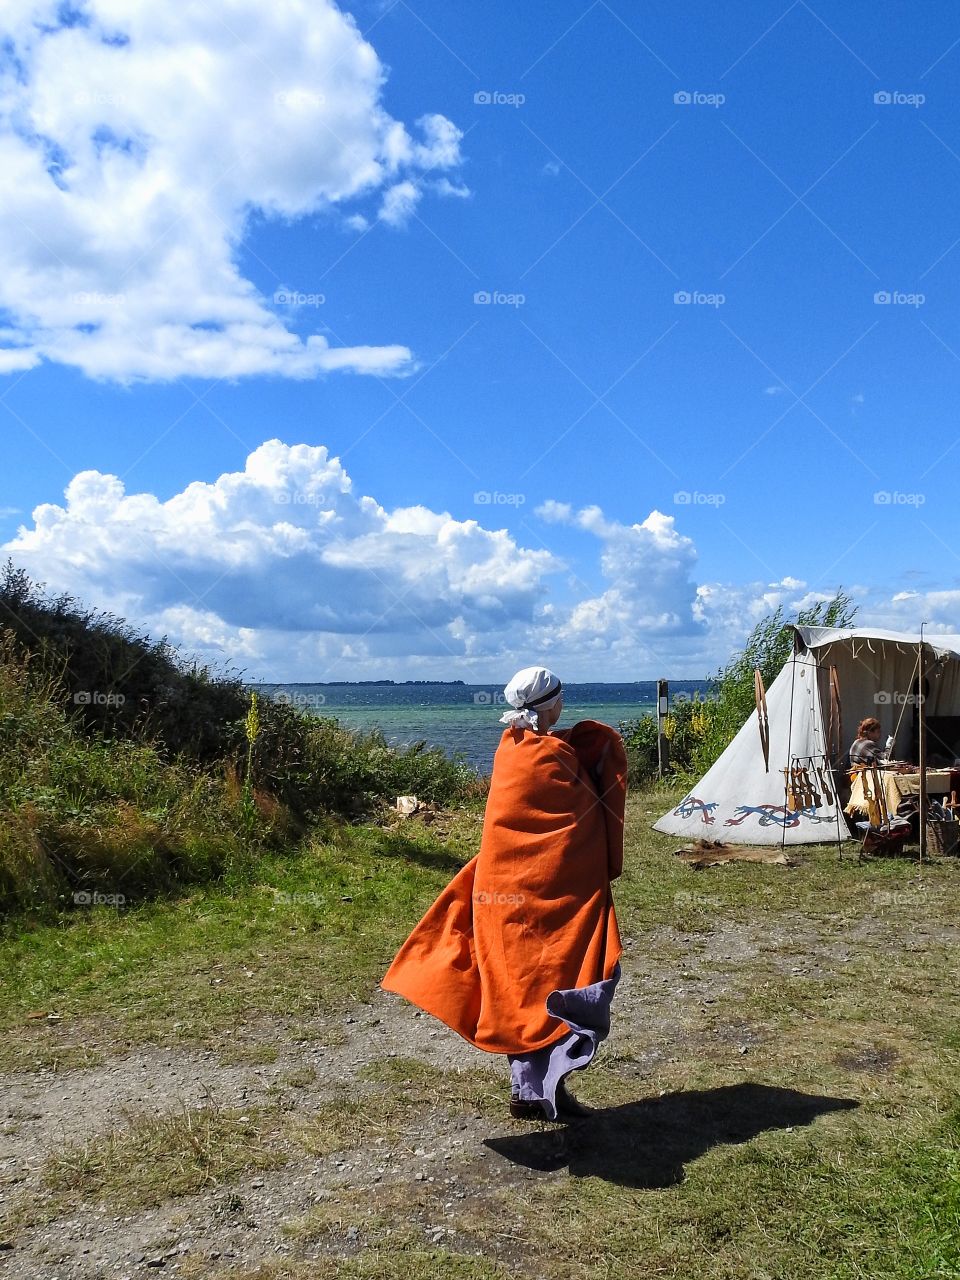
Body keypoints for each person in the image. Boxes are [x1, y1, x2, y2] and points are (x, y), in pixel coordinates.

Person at [381, 665, 627, 1122]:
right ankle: (540, 1089)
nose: (563, 702)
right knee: (553, 984)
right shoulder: (551, 758)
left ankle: (531, 1090)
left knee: (521, 988)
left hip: (503, 892)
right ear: (550, 703)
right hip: (548, 899)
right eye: (560, 696)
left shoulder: (511, 749)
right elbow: (578, 819)